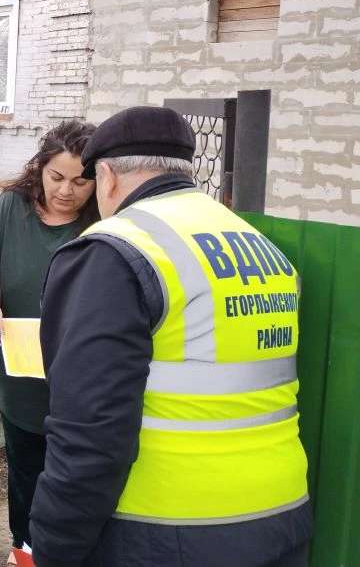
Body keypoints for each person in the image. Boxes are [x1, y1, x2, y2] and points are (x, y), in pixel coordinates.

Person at [30, 106, 312, 567]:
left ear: (106, 177)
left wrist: (53, 545)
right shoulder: (260, 246)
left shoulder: (116, 249)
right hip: (282, 514)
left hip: (169, 531)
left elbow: (89, 431)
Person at [0, 120, 98, 565]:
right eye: (56, 176)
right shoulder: (11, 207)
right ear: (40, 168)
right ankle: (24, 550)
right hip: (21, 368)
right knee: (26, 466)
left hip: (82, 373)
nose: (66, 191)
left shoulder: (105, 219)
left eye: (81, 181)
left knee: (77, 472)